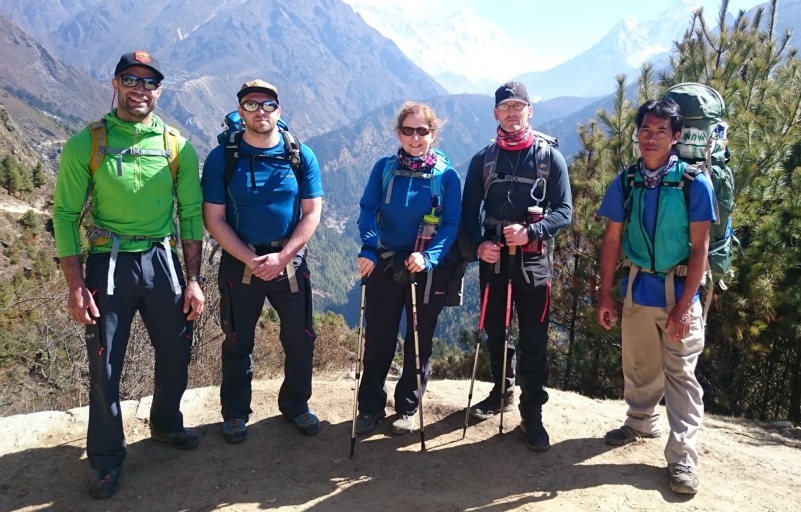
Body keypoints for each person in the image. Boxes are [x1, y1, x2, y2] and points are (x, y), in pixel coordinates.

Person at [53, 50, 205, 499]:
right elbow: (64, 215)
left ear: (159, 90)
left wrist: (193, 279)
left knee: (178, 348)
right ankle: (104, 459)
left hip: (160, 259)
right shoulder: (88, 143)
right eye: (131, 80)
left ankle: (165, 423)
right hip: (109, 260)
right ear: (115, 84)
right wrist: (76, 285)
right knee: (105, 361)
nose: (140, 89)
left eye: (149, 82)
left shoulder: (177, 145)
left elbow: (190, 214)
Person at [596, 97, 715, 495]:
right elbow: (612, 238)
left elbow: (700, 248)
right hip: (638, 285)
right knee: (640, 362)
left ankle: (682, 459)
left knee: (680, 372)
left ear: (676, 137)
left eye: (661, 131)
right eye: (645, 129)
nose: (651, 137)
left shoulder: (693, 184)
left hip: (679, 287)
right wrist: (606, 295)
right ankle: (640, 421)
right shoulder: (627, 181)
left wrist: (685, 306)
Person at [202, 79, 324, 443]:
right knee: (238, 339)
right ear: (240, 111)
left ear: (278, 110)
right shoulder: (222, 156)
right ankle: (236, 413)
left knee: (300, 338)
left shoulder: (299, 153)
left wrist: (284, 255)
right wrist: (251, 259)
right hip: (241, 263)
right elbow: (214, 217)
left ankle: (296, 405)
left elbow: (312, 211)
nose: (260, 112)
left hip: (289, 262)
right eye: (251, 105)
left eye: (268, 105)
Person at [461, 82, 572, 451]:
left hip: (534, 262)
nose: (512, 112)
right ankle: (501, 392)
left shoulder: (548, 157)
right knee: (496, 331)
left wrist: (531, 232)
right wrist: (479, 245)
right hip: (494, 261)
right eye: (505, 106)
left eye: (518, 105)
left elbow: (565, 212)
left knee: (534, 340)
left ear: (530, 110)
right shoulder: (483, 160)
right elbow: (467, 214)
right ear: (495, 113)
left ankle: (532, 415)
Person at [353, 101, 461, 435]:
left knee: (419, 340)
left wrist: (428, 258)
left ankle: (407, 407)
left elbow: (451, 224)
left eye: (422, 131)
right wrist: (369, 247)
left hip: (427, 266)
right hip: (386, 261)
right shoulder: (384, 169)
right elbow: (368, 208)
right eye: (407, 130)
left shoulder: (446, 176)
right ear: (398, 133)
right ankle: (370, 406)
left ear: (433, 133)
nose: (415, 138)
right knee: (379, 337)